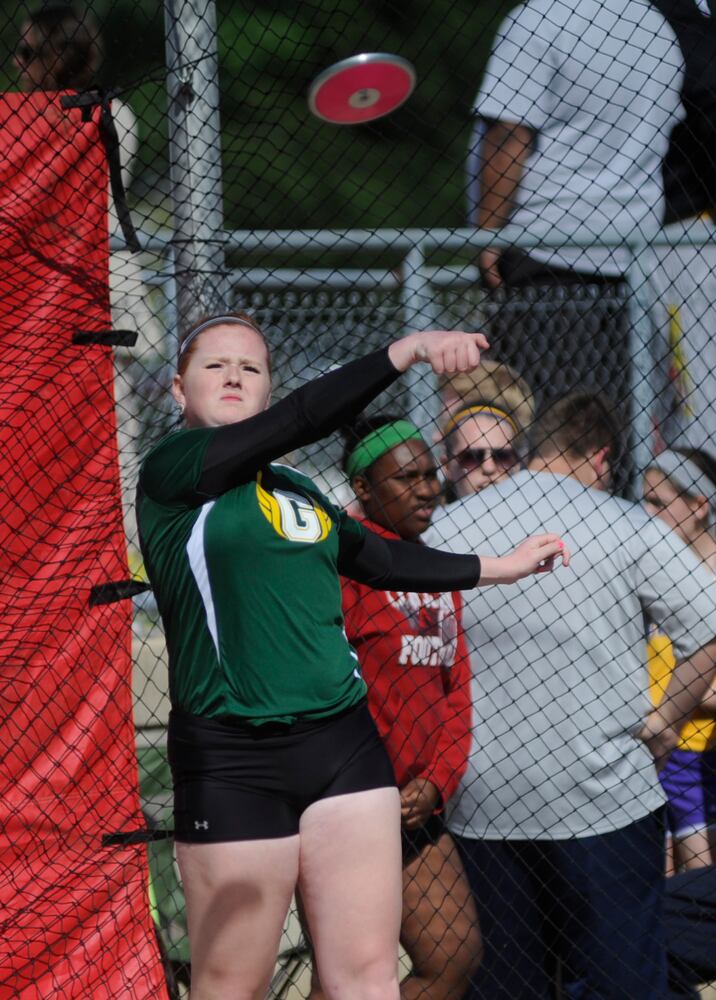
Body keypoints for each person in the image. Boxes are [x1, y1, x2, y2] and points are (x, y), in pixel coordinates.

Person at [136, 314, 570, 1000]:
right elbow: (304, 417)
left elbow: (380, 558)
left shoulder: (295, 486)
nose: (233, 377)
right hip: (234, 759)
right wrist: (408, 351)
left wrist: (501, 566)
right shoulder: (175, 470)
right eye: (215, 365)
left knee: (367, 978)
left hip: (343, 747)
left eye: (250, 368)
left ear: (268, 386)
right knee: (231, 984)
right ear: (177, 388)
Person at [429, 392, 716, 999]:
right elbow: (709, 627)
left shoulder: (447, 526)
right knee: (621, 977)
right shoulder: (624, 523)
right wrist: (667, 718)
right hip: (601, 794)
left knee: (507, 980)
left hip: (480, 794)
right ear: (601, 457)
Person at [333, 414, 481, 1000]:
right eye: (406, 478)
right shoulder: (343, 565)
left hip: (417, 806)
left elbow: (456, 690)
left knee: (454, 958)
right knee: (346, 979)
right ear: (364, 489)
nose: (427, 489)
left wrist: (437, 780)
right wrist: (369, 784)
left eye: (430, 474)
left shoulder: (431, 564)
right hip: (351, 804)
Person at [468, 0, 684, 288]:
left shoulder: (537, 19)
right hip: (634, 252)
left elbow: (508, 137)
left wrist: (486, 236)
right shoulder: (655, 25)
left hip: (540, 246)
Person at [644, 447, 716, 873]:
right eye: (645, 500)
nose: (647, 513)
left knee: (700, 879)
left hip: (697, 752)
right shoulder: (655, 570)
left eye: (659, 502)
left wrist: (675, 701)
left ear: (698, 506)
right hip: (655, 751)